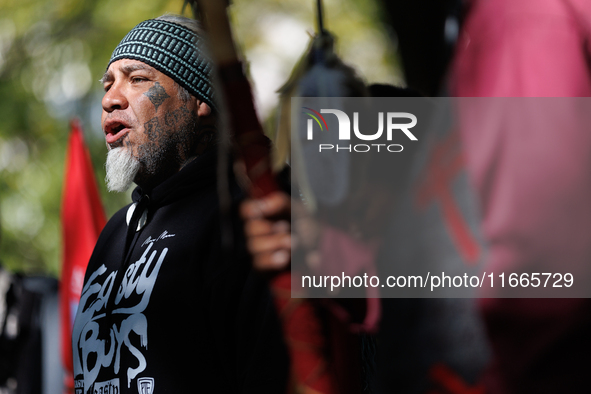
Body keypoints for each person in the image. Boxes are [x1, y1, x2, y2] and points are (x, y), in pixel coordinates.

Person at [71, 14, 289, 394]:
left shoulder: (249, 217)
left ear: (200, 101)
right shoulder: (114, 232)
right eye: (108, 83)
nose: (109, 99)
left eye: (137, 79)